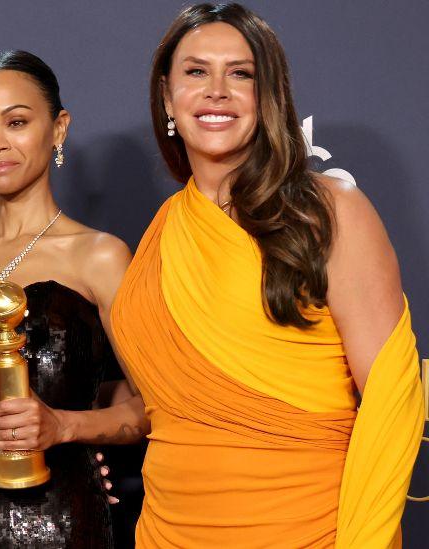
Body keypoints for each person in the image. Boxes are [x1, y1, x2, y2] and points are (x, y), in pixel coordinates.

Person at [110, 4, 424, 547]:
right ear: (167, 97)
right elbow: (161, 406)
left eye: (241, 73)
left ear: (268, 95)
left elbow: (393, 400)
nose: (217, 91)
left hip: (308, 530)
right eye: (195, 71)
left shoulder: (330, 211)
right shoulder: (161, 232)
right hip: (167, 533)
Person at [0, 50, 148, 548]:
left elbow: (155, 407)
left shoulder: (100, 257)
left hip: (60, 518)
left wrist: (66, 425)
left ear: (58, 128)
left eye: (16, 122)